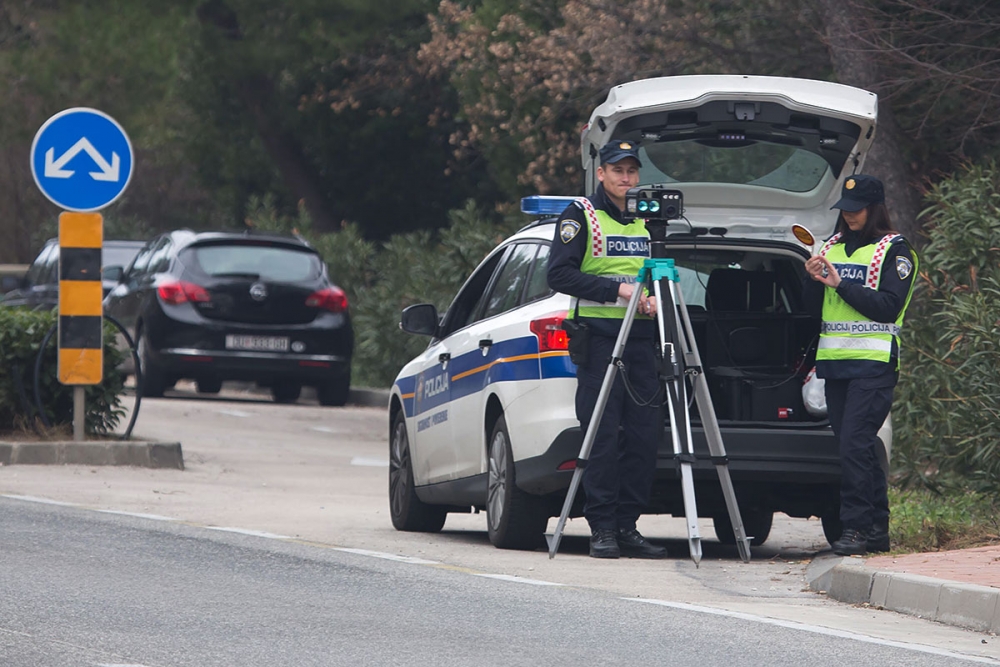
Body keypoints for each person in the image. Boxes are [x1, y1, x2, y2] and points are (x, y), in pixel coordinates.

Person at [547, 140, 667, 559]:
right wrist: (618, 290)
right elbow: (559, 273)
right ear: (601, 173)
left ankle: (627, 525)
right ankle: (602, 528)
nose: (626, 178)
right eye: (618, 171)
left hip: (640, 339)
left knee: (642, 435)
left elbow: (653, 273)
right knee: (601, 433)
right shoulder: (581, 216)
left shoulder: (645, 220)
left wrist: (653, 297)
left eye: (632, 171)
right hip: (599, 340)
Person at [803, 174, 918, 556]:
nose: (849, 216)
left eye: (856, 210)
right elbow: (813, 306)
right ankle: (876, 529)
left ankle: (855, 528)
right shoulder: (830, 245)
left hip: (873, 364)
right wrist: (811, 279)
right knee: (857, 447)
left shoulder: (896, 251)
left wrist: (840, 285)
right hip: (836, 364)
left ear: (874, 209)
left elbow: (888, 307)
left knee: (855, 444)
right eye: (845, 210)